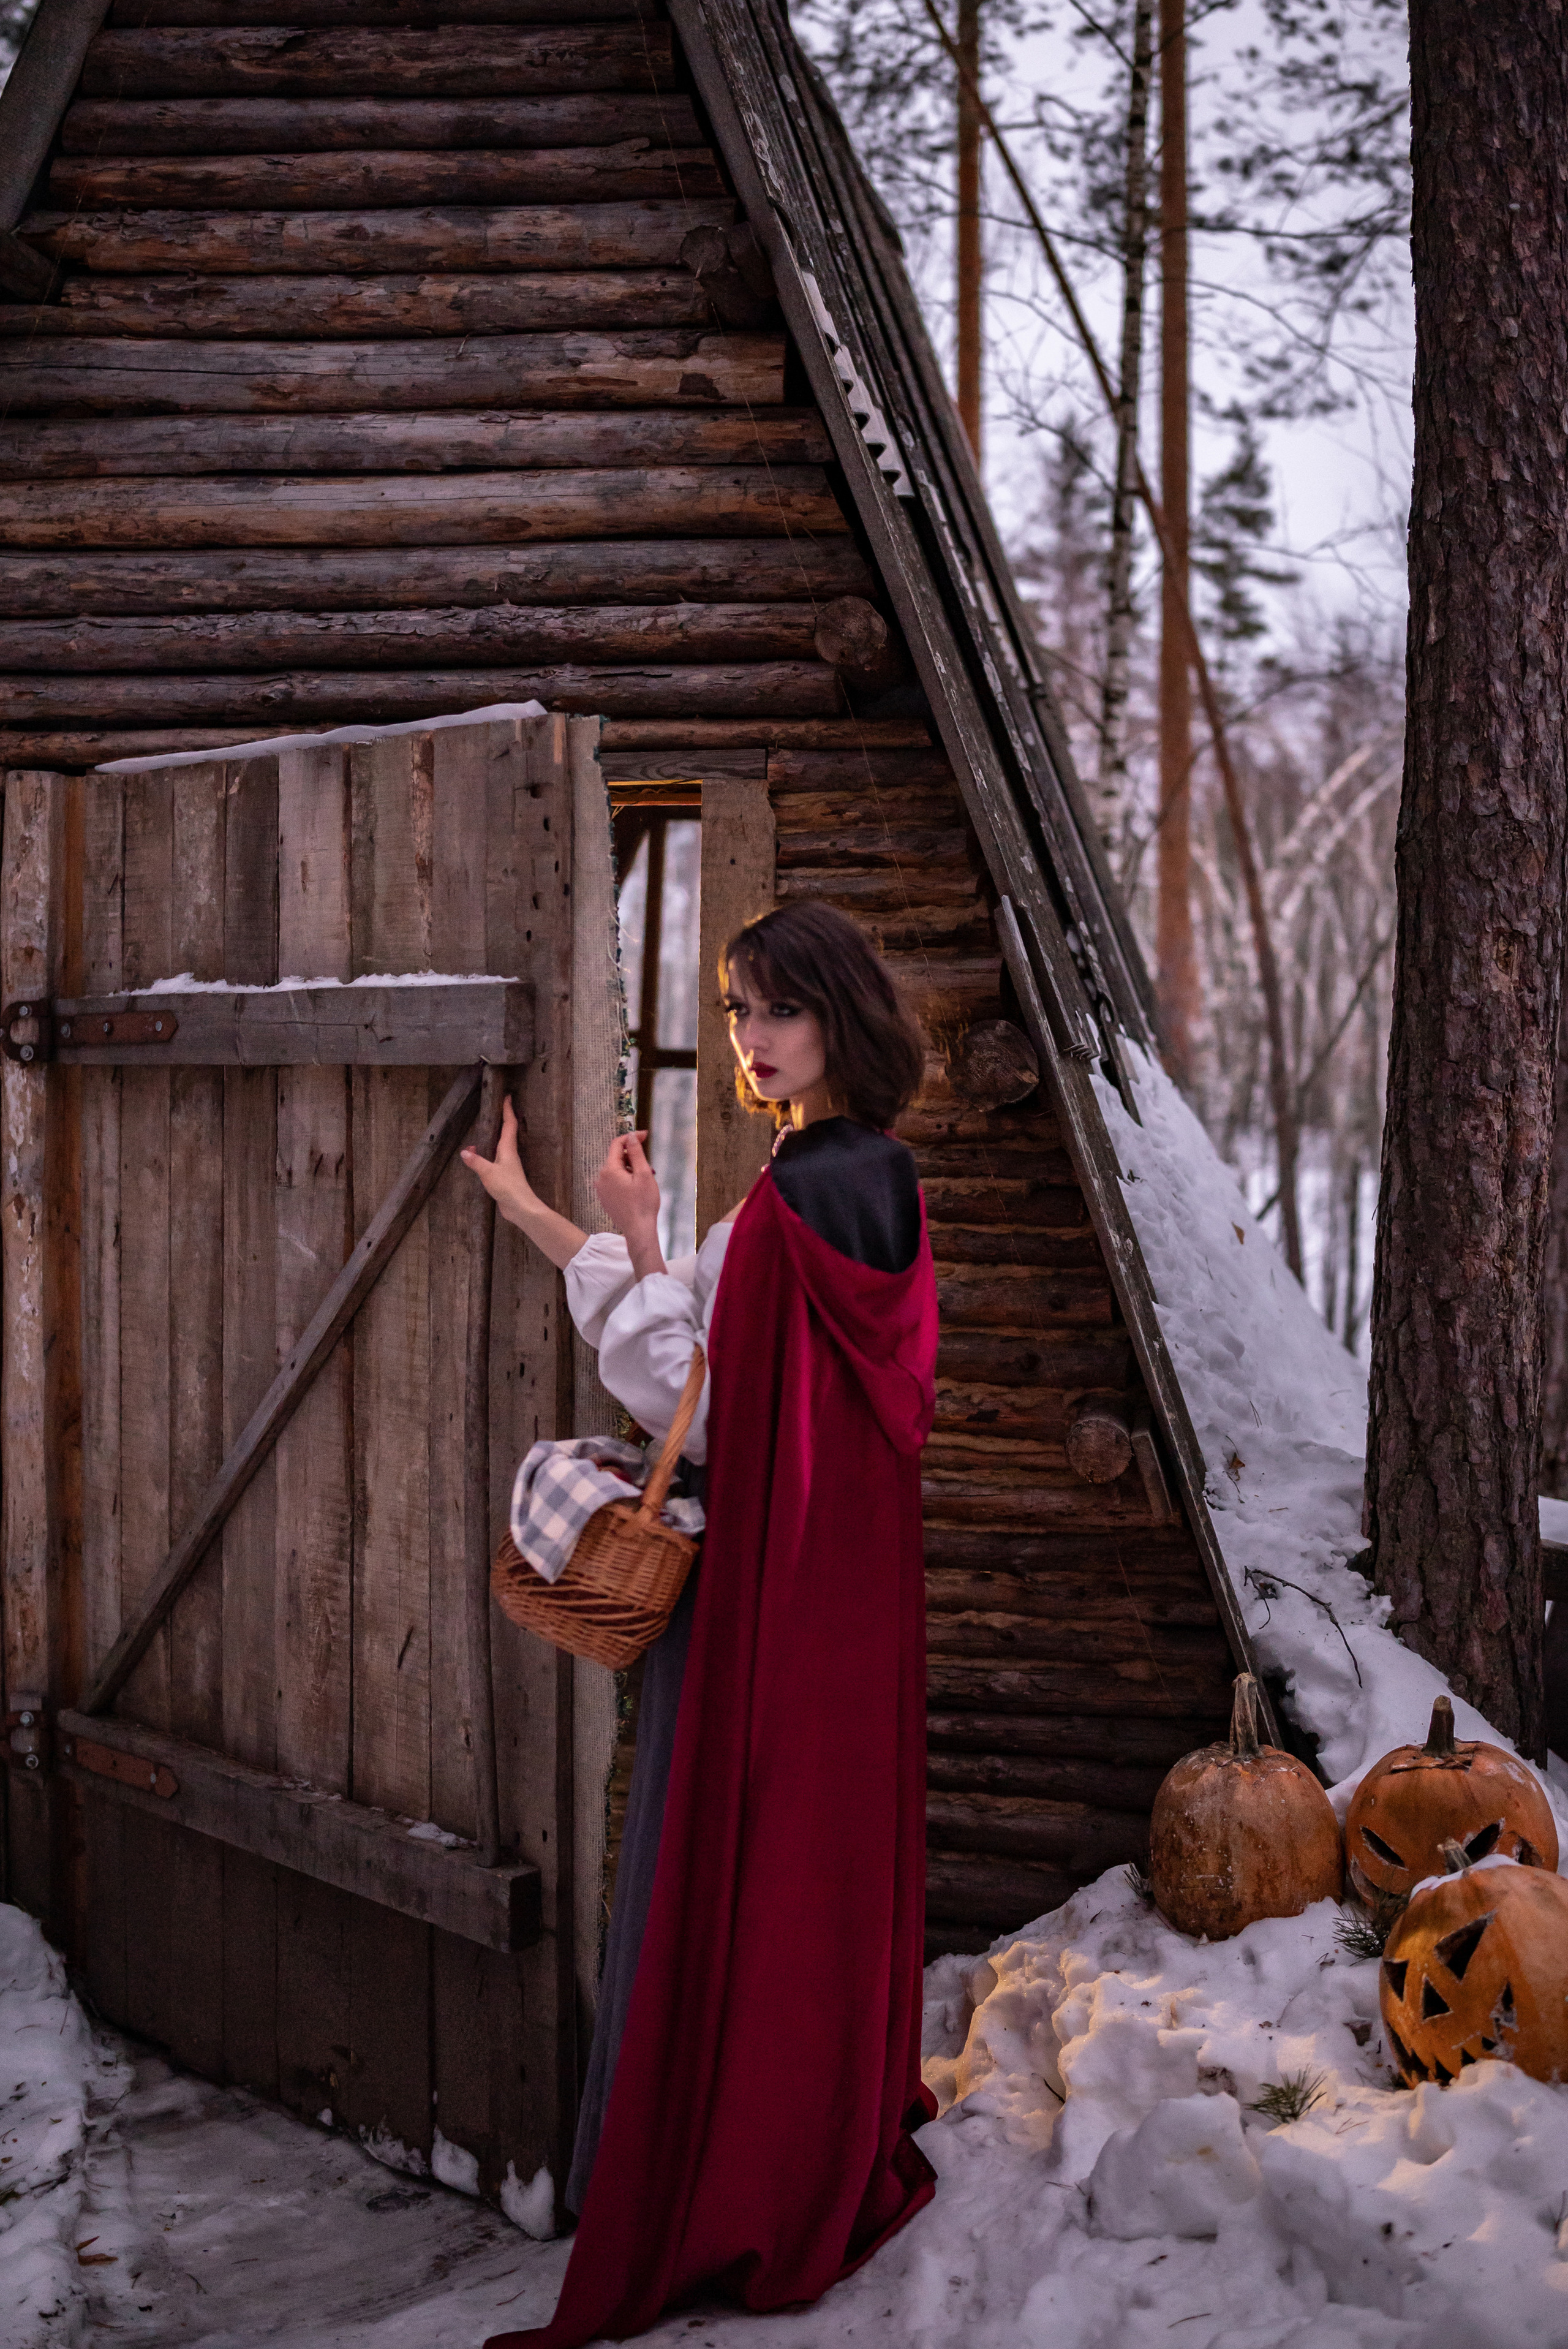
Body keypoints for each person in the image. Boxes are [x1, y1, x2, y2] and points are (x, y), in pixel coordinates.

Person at [460, 898, 940, 2348]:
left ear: (841, 1015)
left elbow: (701, 1408)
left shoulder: (797, 1203)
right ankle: (812, 2133)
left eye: (776, 1008)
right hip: (852, 1604)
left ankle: (730, 2178)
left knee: (731, 1874)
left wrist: (625, 1235)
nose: (750, 1038)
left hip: (766, 1608)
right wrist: (554, 1217)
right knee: (813, 1880)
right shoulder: (888, 1183)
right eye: (737, 1009)